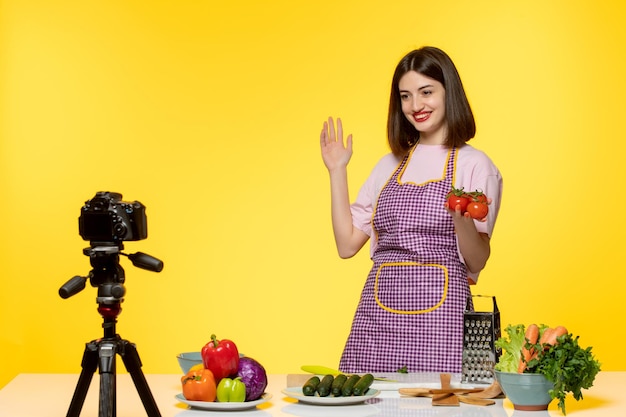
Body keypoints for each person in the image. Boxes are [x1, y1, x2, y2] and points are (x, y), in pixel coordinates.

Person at [319, 46, 503, 373]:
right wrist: (337, 170)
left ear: (450, 92)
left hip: (443, 323)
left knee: (447, 408)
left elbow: (478, 260)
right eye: (405, 96)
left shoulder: (475, 165)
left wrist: (460, 219)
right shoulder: (388, 166)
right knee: (365, 406)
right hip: (377, 322)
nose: (415, 106)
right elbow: (346, 246)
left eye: (426, 92)